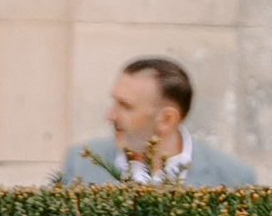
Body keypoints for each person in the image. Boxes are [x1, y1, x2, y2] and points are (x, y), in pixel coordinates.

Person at [56, 58, 258, 189]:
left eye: (125, 106)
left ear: (167, 120)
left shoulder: (232, 179)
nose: (110, 116)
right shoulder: (80, 164)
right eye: (114, 101)